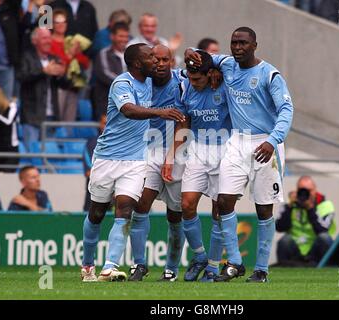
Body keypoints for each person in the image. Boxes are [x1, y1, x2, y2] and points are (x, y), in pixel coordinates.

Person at [185, 26, 294, 283]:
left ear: (255, 44)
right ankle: (234, 262)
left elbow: (286, 110)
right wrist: (192, 53)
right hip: (237, 140)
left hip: (265, 143)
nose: (237, 47)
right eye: (234, 42)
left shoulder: (270, 75)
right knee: (223, 201)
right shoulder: (227, 64)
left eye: (243, 43)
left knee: (263, 208)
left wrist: (272, 140)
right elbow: (199, 57)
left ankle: (261, 269)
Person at [80, 43, 185, 282]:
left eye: (160, 59)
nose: (157, 62)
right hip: (108, 157)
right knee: (96, 213)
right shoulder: (122, 83)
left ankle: (109, 267)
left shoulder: (149, 80)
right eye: (151, 58)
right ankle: (87, 265)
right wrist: (160, 112)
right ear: (138, 63)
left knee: (125, 208)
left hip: (136, 159)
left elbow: (180, 73)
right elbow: (128, 110)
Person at [162, 50, 231, 282]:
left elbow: (231, 62)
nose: (194, 83)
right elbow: (183, 125)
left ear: (211, 74)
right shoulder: (185, 88)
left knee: (219, 211)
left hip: (225, 150)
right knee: (187, 204)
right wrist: (171, 156)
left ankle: (212, 267)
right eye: (191, 78)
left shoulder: (224, 83)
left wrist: (218, 67)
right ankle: (200, 255)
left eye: (198, 79)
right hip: (198, 149)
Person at [126, 44, 187, 282]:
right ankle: (139, 265)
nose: (160, 63)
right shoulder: (142, 84)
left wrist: (171, 157)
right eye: (156, 59)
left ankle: (171, 269)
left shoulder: (182, 83)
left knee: (175, 215)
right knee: (141, 205)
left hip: (178, 150)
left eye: (165, 59)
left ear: (172, 61)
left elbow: (185, 122)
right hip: (148, 150)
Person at [17, 27, 67, 151]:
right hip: (32, 117)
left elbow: (65, 85)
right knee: (32, 155)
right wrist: (43, 71)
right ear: (35, 41)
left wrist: (62, 75)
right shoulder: (26, 57)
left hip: (51, 117)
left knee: (49, 155)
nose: (48, 41)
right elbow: (22, 77)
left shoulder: (54, 59)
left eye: (50, 38)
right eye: (44, 38)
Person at [276, 176, 335, 266]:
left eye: (309, 190)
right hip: (296, 248)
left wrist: (310, 209)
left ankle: (328, 267)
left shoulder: (326, 205)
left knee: (324, 238)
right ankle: (284, 268)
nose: (305, 193)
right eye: (301, 190)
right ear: (296, 190)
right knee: (284, 241)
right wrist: (289, 207)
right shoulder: (289, 205)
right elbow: (279, 227)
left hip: (315, 248)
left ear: (315, 190)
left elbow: (322, 230)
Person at [50, 8, 90, 122]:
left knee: (69, 123)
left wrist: (76, 54)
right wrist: (71, 55)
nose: (61, 25)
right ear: (52, 24)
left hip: (73, 86)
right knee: (57, 121)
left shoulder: (71, 40)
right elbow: (58, 66)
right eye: (57, 22)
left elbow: (85, 63)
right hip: (57, 86)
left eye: (64, 22)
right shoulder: (49, 41)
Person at [92, 22, 129, 121]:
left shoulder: (130, 54)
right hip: (107, 107)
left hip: (128, 106)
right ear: (112, 36)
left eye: (126, 36)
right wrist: (130, 83)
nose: (124, 39)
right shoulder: (103, 54)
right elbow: (105, 74)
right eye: (120, 36)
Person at [82, 114, 106, 212]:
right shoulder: (91, 144)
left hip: (115, 197)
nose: (108, 126)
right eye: (105, 123)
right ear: (100, 124)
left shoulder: (123, 144)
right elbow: (89, 172)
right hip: (93, 196)